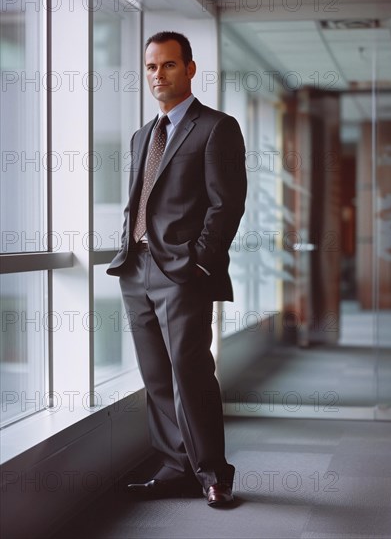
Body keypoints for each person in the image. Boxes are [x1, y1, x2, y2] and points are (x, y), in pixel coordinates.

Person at [107, 31, 247, 507]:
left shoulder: (216, 127)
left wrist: (199, 263)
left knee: (190, 371)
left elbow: (226, 205)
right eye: (151, 67)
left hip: (182, 272)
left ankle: (213, 472)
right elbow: (140, 200)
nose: (158, 75)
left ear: (189, 69)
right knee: (157, 375)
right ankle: (175, 466)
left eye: (168, 65)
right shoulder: (142, 135)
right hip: (135, 267)